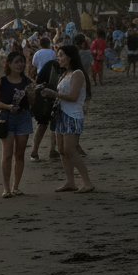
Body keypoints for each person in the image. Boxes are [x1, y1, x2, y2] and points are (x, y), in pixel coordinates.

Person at [40, 46, 94, 193]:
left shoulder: (78, 74)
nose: (58, 58)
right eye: (58, 55)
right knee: (62, 150)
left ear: (70, 57)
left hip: (72, 115)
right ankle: (70, 181)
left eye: (61, 55)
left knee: (71, 150)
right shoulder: (65, 73)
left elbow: (73, 97)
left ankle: (87, 182)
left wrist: (54, 94)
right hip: (61, 114)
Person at [0, 52, 34, 197]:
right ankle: (6, 188)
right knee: (7, 154)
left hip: (23, 117)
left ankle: (15, 187)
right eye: (17, 62)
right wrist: (8, 107)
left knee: (20, 153)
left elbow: (32, 103)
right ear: (9, 64)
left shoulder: (27, 81)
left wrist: (31, 93)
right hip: (7, 118)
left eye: (22, 62)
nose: (20, 65)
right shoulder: (2, 81)